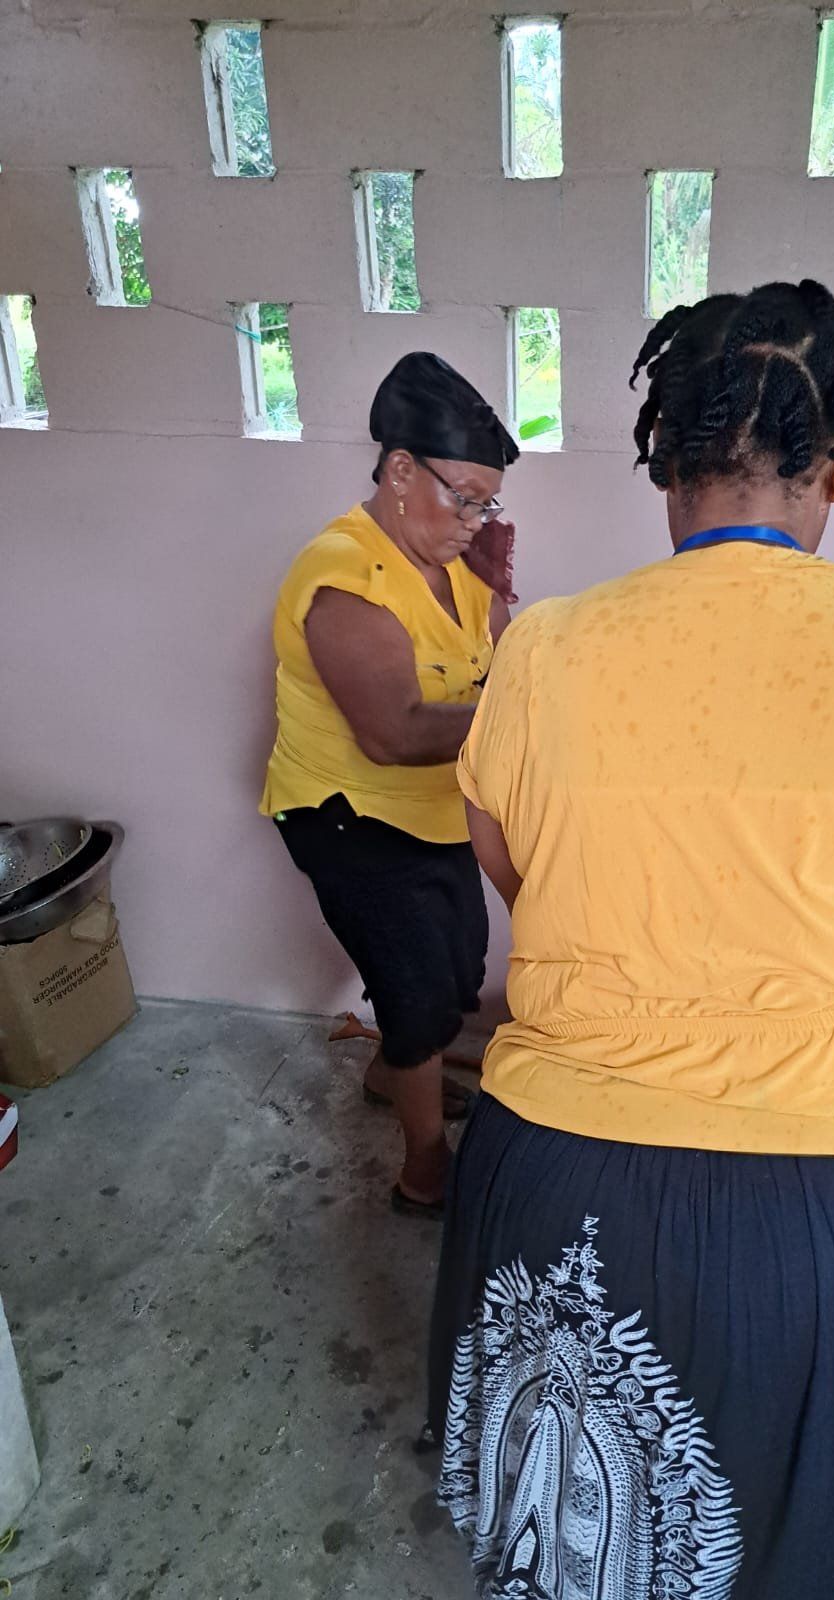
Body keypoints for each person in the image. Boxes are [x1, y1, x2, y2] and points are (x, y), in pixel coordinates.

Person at [426, 281, 834, 1599]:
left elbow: (524, 878)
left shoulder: (542, 652)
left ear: (666, 461)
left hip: (562, 1185)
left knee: (583, 1557)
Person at [262, 353, 518, 1214]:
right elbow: (395, 732)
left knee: (459, 970)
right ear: (401, 471)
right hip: (348, 817)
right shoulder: (345, 578)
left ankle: (389, 1072)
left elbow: (485, 668)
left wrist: (500, 592)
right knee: (416, 994)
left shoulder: (458, 562)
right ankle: (423, 1172)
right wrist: (532, 716)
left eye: (488, 504)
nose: (475, 521)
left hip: (435, 812)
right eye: (465, 498)